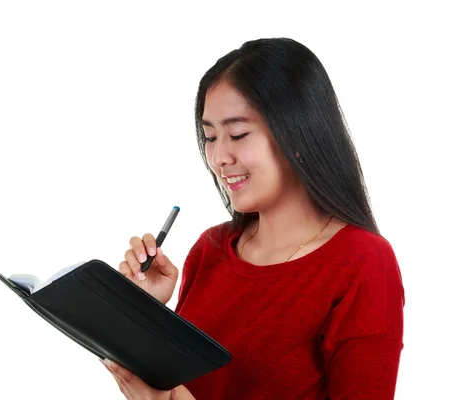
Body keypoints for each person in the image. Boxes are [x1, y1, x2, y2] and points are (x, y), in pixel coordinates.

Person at [100, 37, 405, 400]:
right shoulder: (210, 250)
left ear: (298, 134)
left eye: (238, 134)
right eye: (210, 136)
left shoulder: (364, 262)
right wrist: (146, 316)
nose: (218, 158)